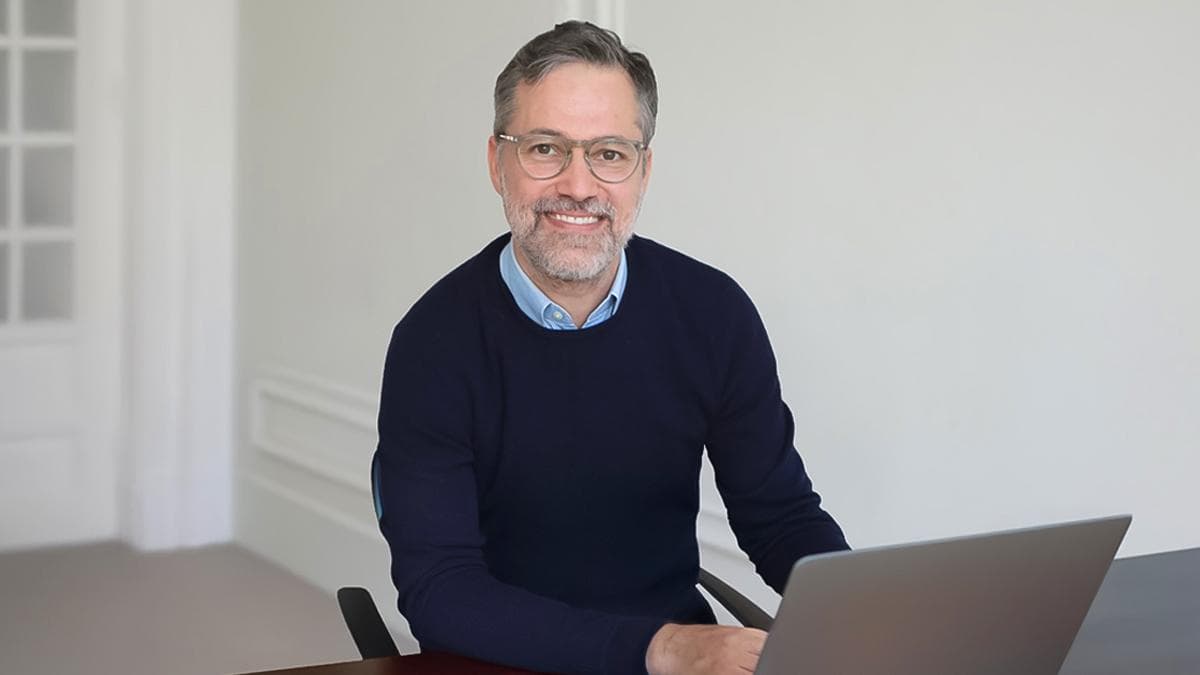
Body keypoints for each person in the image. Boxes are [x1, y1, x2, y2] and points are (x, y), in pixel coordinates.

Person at [373, 20, 848, 675]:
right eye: (545, 148)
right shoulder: (432, 345)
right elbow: (442, 591)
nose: (579, 185)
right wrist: (659, 648)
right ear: (497, 163)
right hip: (500, 660)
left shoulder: (714, 314)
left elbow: (780, 516)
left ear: (643, 170)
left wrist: (863, 615)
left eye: (610, 153)